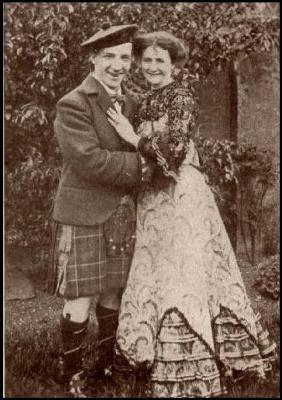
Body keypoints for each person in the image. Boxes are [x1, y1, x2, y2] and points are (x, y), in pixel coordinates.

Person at [106, 31, 277, 398]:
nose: (152, 67)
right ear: (139, 63)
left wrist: (132, 137)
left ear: (174, 65)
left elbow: (177, 148)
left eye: (160, 61)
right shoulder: (147, 98)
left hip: (181, 195)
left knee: (182, 270)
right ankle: (144, 355)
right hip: (153, 198)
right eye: (147, 61)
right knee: (154, 269)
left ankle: (195, 365)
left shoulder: (180, 96)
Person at [47, 23, 152, 398]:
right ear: (93, 58)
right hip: (85, 212)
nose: (117, 65)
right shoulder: (74, 102)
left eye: (124, 57)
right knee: (80, 297)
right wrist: (144, 166)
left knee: (113, 292)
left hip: (122, 212)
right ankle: (73, 373)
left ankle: (105, 366)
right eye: (108, 57)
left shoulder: (135, 103)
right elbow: (89, 161)